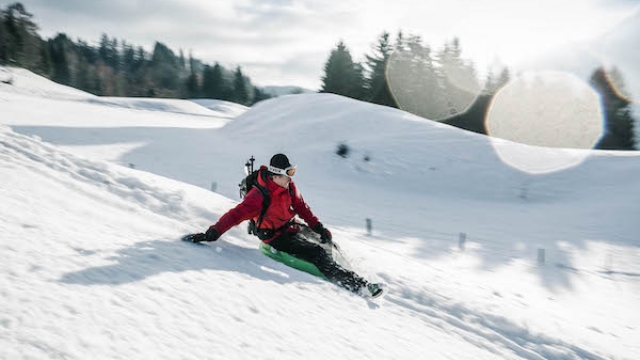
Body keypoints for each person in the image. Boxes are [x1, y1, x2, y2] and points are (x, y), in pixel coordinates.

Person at [190, 153, 383, 298]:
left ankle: (346, 268)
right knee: (318, 253)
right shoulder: (258, 196)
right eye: (288, 173)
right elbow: (234, 216)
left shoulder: (288, 186)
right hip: (275, 236)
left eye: (292, 172)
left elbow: (301, 206)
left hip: (291, 226)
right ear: (275, 175)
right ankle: (361, 286)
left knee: (328, 242)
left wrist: (319, 227)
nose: (291, 177)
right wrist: (211, 234)